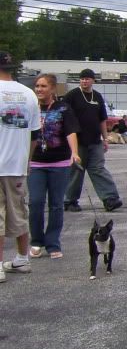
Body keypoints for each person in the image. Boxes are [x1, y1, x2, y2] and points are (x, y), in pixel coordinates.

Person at [28, 73, 81, 259]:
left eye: (43, 86)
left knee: (56, 204)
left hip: (59, 163)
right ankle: (36, 240)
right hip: (35, 162)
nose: (39, 89)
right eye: (37, 86)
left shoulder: (63, 108)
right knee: (35, 202)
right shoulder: (31, 107)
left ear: (52, 88)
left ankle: (52, 242)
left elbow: (70, 132)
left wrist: (74, 152)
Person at [0, 51, 42, 281]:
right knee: (19, 211)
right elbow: (35, 134)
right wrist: (26, 160)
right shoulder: (28, 94)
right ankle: (21, 258)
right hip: (17, 164)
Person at [63, 68, 123, 213]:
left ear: (93, 80)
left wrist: (105, 138)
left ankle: (110, 198)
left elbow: (102, 119)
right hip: (78, 140)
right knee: (76, 171)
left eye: (87, 78)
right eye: (82, 78)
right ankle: (70, 200)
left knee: (98, 169)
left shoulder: (97, 96)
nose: (84, 81)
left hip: (95, 140)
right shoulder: (72, 95)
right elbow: (64, 117)